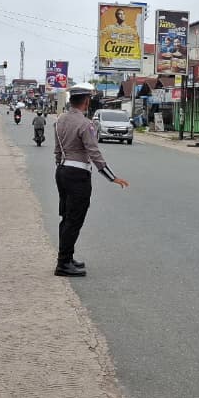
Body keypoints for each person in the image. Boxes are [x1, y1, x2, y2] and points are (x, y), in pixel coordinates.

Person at [53, 84, 129, 277]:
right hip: (78, 175)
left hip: (62, 171)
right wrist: (112, 177)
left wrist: (62, 168)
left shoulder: (60, 120)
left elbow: (57, 151)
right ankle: (63, 263)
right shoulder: (86, 124)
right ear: (86, 102)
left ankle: (67, 257)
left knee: (67, 217)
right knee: (74, 219)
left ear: (71, 101)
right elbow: (94, 153)